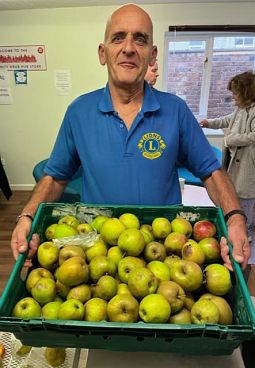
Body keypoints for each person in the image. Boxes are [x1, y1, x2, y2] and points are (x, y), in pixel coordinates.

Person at [11, 3, 249, 273]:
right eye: (118, 37)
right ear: (103, 53)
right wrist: (27, 215)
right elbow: (55, 177)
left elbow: (212, 172)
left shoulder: (176, 110)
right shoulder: (79, 112)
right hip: (99, 256)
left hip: (167, 251)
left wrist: (235, 217)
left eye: (140, 38)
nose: (128, 47)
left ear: (152, 55)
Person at [200, 71, 255, 283]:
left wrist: (231, 139)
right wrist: (208, 123)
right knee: (231, 209)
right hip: (234, 170)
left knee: (245, 219)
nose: (233, 96)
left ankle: (243, 259)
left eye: (235, 93)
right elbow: (226, 120)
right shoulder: (240, 110)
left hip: (248, 173)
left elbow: (251, 136)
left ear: (246, 92)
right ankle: (230, 252)